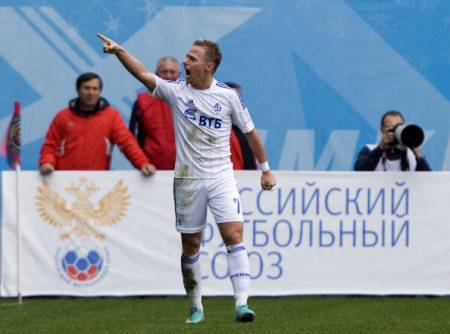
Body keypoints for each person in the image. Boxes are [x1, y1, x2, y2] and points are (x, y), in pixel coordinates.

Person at [97, 33, 277, 323]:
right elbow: (143, 73)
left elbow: (250, 132)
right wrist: (119, 51)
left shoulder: (228, 95)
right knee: (191, 245)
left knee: (233, 235)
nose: (185, 61)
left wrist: (266, 168)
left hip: (221, 177)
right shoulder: (176, 91)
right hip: (188, 180)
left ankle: (242, 304)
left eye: (192, 58)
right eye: (186, 56)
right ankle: (196, 306)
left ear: (208, 66)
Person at [39, 72, 155, 176]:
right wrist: (47, 162)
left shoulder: (111, 116)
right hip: (66, 180)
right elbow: (51, 144)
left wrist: (142, 163)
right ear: (78, 90)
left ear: (100, 91)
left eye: (95, 89)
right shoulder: (62, 116)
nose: (91, 92)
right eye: (87, 88)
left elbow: (127, 143)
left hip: (98, 182)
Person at [129, 57, 179, 169]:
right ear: (156, 74)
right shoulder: (142, 102)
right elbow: (131, 139)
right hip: (151, 173)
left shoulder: (191, 101)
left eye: (172, 72)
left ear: (179, 75)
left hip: (186, 172)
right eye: (164, 72)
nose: (168, 76)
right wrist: (142, 163)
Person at [354, 110, 431, 171]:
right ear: (382, 130)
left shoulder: (411, 155)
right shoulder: (370, 149)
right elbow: (359, 171)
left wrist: (418, 155)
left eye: (399, 127)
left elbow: (428, 181)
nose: (396, 131)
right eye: (391, 128)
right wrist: (380, 148)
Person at [225, 82, 257, 170]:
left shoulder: (245, 131)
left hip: (247, 181)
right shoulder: (216, 130)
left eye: (240, 99)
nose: (239, 103)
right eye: (234, 99)